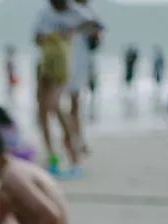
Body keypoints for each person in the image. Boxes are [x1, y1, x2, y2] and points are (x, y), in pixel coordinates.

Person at [34, 0, 100, 176]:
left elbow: (97, 29)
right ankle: (53, 157)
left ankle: (74, 156)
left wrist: (75, 32)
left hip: (71, 66)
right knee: (43, 110)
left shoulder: (79, 12)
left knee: (57, 106)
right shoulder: (45, 13)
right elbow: (36, 38)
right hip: (47, 64)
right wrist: (52, 37)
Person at [65, 0, 102, 156]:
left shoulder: (89, 10)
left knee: (76, 103)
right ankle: (73, 139)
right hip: (66, 61)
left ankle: (76, 139)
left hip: (82, 64)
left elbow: (97, 38)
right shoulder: (68, 8)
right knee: (69, 104)